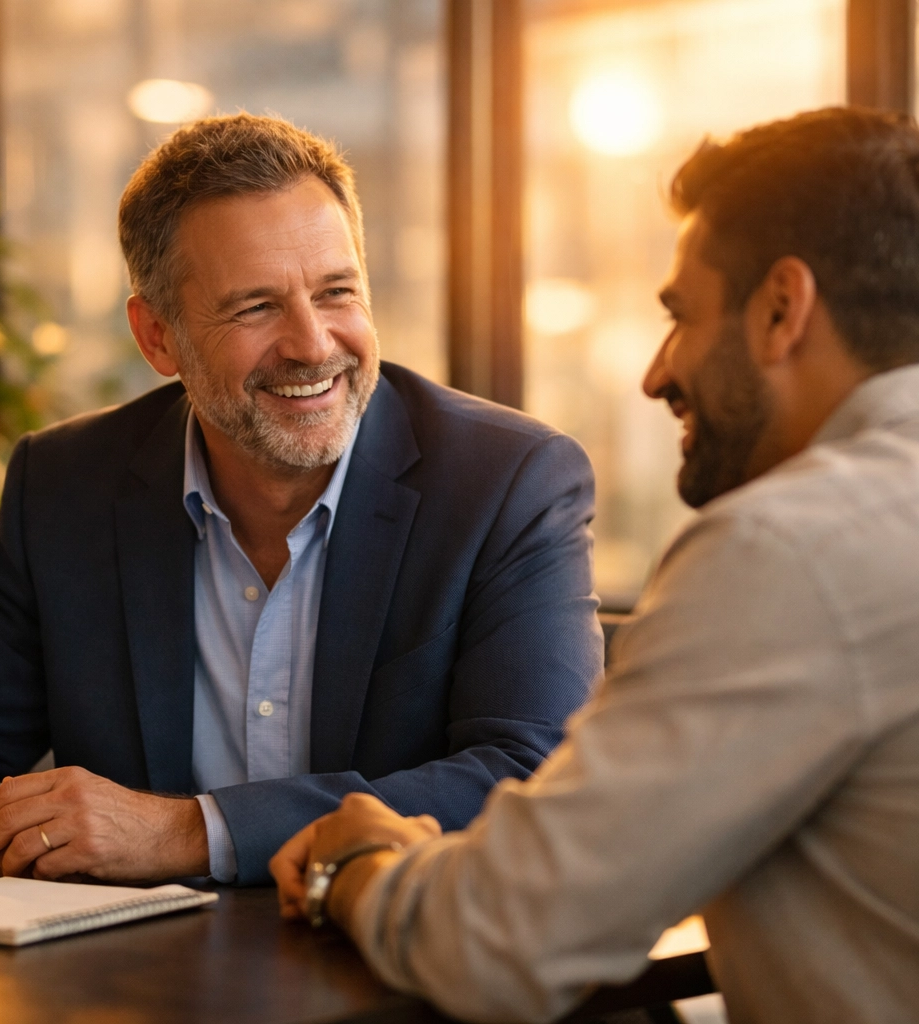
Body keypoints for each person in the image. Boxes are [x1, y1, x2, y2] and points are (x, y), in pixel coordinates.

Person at [271, 106, 919, 1024]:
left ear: (782, 310)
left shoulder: (790, 547)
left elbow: (505, 941)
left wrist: (356, 863)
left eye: (681, 317)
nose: (657, 374)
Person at [0, 115, 602, 886]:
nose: (311, 343)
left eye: (337, 292)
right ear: (158, 337)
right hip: (134, 984)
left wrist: (187, 832)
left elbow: (530, 777)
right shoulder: (68, 486)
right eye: (256, 307)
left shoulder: (508, 482)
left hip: (402, 976)